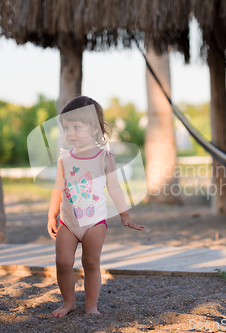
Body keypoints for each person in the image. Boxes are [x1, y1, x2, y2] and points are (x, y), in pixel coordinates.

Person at [47, 96, 145, 317]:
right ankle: (68, 302)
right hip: (67, 222)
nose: (69, 133)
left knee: (90, 263)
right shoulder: (65, 159)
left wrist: (125, 215)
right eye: (66, 128)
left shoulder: (104, 158)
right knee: (63, 262)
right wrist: (51, 215)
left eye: (76, 127)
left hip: (94, 223)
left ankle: (91, 306)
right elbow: (57, 188)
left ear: (92, 128)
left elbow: (115, 189)